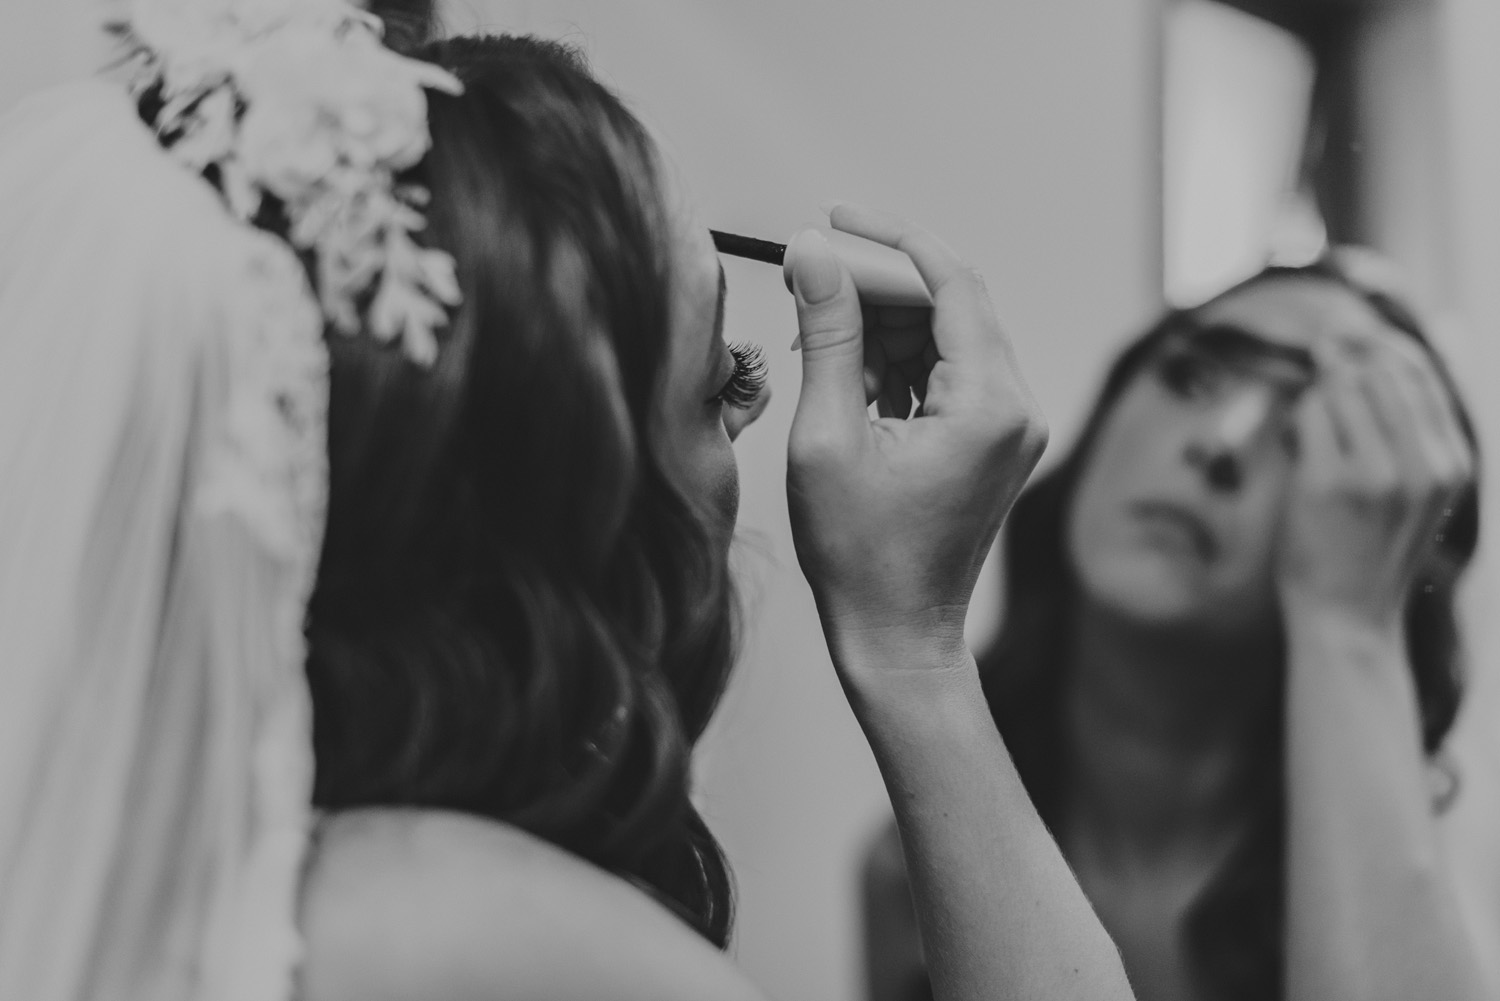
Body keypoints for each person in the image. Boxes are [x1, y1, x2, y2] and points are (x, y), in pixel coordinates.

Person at [0, 4, 1137, 1000]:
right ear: (554, 485)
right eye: (716, 383)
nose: (747, 429)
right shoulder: (478, 927)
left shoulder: (156, 848)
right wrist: (915, 647)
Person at [862, 255, 1497, 1001]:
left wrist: (1350, 626)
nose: (1223, 443)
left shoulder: (1428, 898)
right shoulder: (911, 868)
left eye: (1304, 432)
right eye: (1194, 377)